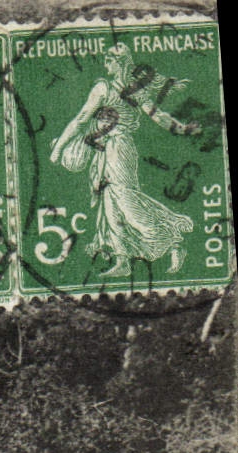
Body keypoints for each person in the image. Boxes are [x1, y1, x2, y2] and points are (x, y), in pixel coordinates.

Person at [50, 43, 196, 277]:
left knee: (125, 199)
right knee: (110, 203)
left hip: (118, 149)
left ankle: (172, 240)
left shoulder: (108, 88)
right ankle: (122, 259)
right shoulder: (128, 89)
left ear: (119, 63)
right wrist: (183, 129)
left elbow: (81, 120)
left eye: (108, 60)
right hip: (107, 148)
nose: (105, 64)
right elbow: (158, 117)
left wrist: (58, 148)